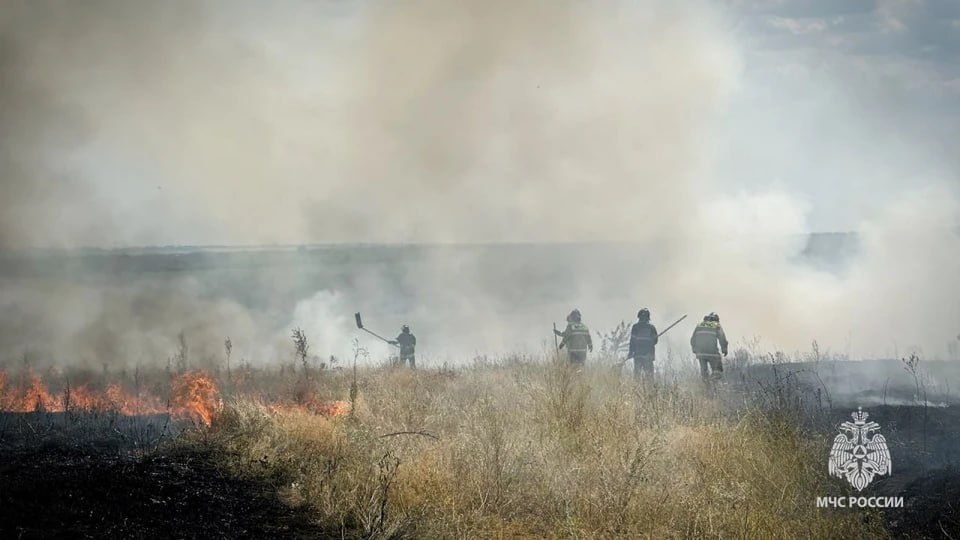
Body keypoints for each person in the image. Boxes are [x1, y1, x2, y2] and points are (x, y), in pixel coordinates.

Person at [690, 312, 728, 385]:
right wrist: (724, 349)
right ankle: (714, 381)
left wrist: (694, 350)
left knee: (704, 372)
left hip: (700, 353)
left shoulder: (699, 325)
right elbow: (722, 338)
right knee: (718, 369)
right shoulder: (716, 325)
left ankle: (706, 386)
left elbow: (692, 339)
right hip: (712, 353)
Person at [628, 308, 658, 381]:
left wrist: (630, 353)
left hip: (638, 355)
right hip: (648, 356)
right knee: (649, 377)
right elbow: (655, 341)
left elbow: (632, 341)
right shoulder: (651, 328)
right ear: (648, 318)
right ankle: (649, 391)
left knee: (637, 377)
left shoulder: (635, 327)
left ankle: (636, 391)